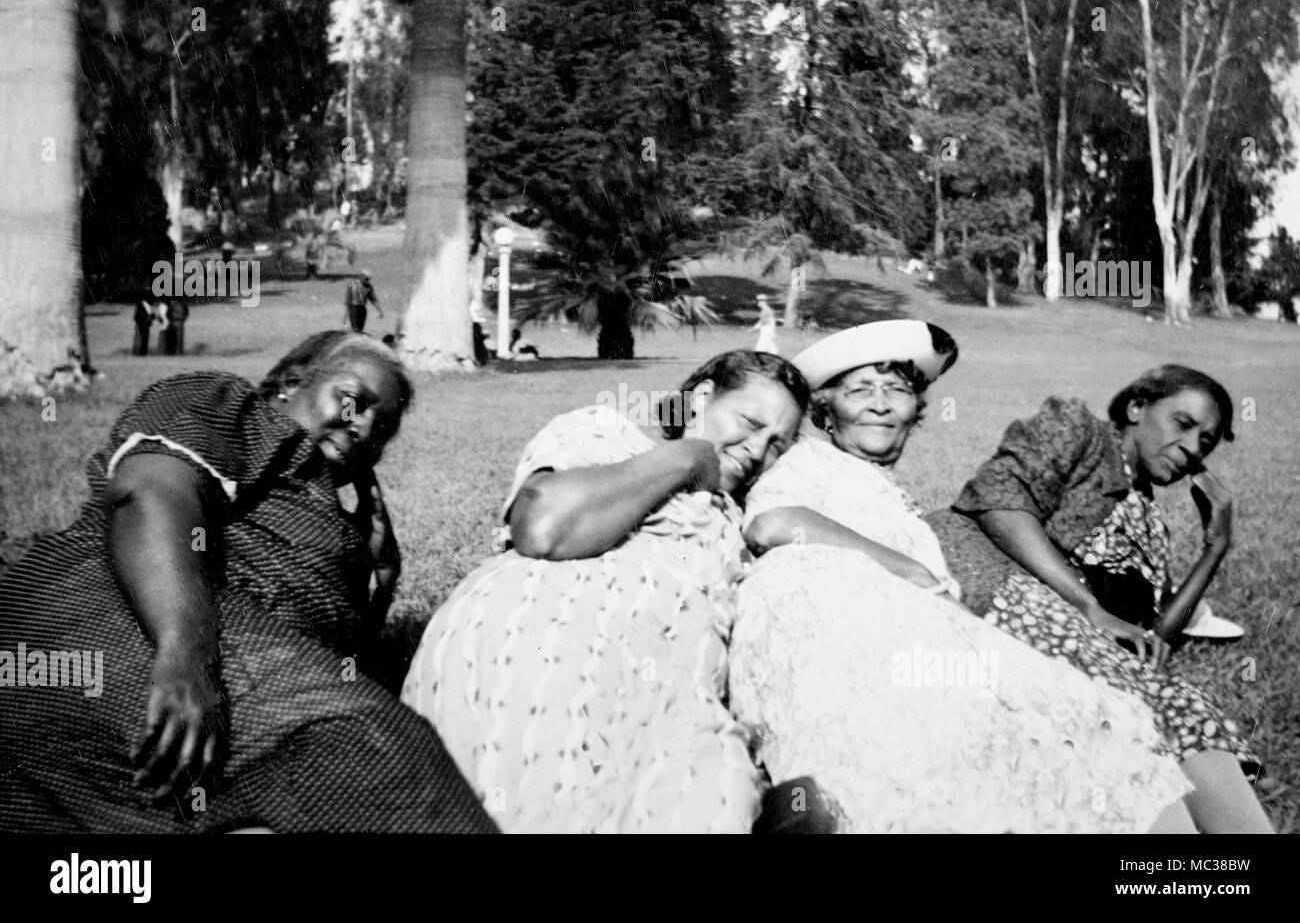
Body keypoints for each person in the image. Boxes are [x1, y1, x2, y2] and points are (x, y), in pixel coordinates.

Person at [0, 331, 495, 833]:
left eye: (383, 425)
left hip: (169, 678)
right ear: (290, 382)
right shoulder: (232, 407)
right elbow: (152, 493)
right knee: (383, 752)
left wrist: (377, 579)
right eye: (353, 399)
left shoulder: (335, 516)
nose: (365, 425)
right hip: (129, 610)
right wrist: (186, 658)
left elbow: (332, 663)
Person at [729, 321, 1204, 833]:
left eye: (898, 390)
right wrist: (912, 571)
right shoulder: (809, 460)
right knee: (1035, 725)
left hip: (896, 627)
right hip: (828, 626)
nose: (881, 404)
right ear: (825, 409)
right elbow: (772, 523)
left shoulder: (880, 488)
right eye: (860, 389)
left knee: (1083, 716)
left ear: (916, 410)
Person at [401, 351, 808, 832]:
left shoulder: (740, 521)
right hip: (550, 631)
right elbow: (544, 527)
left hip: (672, 689)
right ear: (701, 398)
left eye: (777, 444)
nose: (758, 450)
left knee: (712, 799)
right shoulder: (608, 434)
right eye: (750, 421)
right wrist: (691, 455)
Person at [927, 364, 1271, 832]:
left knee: (1173, 702)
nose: (1192, 449)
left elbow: (1151, 644)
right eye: (1183, 424)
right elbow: (998, 502)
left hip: (1087, 652)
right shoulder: (1079, 430)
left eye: (1206, 443)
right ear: (1137, 407)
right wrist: (1087, 607)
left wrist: (1215, 547)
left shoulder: (1150, 527)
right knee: (1136, 716)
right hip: (1008, 605)